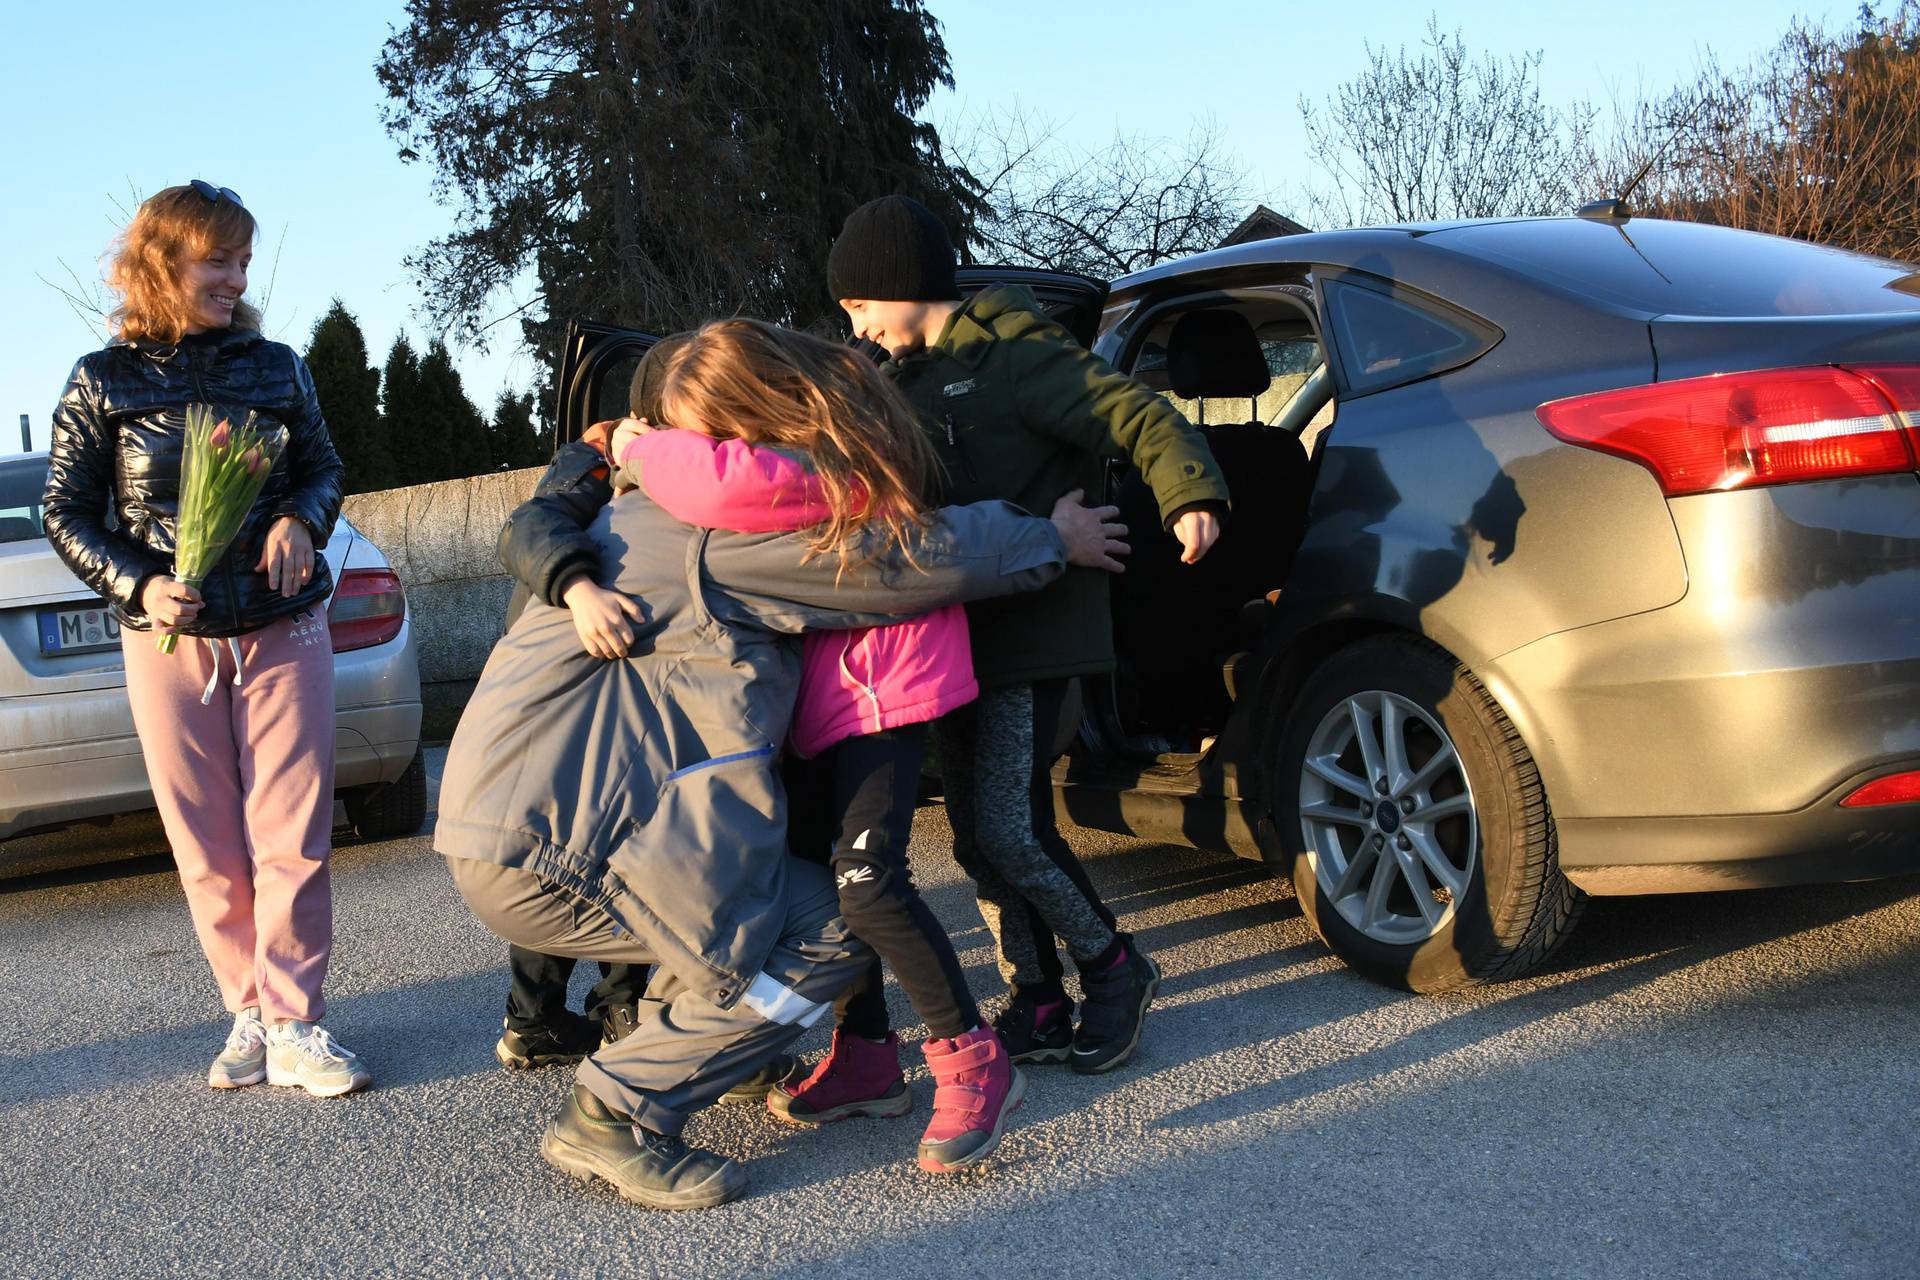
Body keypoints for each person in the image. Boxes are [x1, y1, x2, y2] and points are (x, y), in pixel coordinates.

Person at [440, 319, 1123, 1208]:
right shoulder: (716, 535)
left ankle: (683, 1054)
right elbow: (899, 559)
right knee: (831, 931)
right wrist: (1050, 537)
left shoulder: (631, 508)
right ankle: (619, 1107)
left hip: (511, 829)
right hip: (565, 848)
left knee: (754, 886)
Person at [827, 194, 1231, 1076]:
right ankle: (1038, 998)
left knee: (1011, 831)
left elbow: (1134, 414)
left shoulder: (1014, 353)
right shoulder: (901, 386)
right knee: (976, 838)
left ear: (899, 286)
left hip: (1035, 636)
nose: (855, 327)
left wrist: (1188, 492)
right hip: (957, 644)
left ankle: (1116, 968)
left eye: (860, 307)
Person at [41, 182, 367, 1096]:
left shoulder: (276, 366)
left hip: (281, 623)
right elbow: (64, 512)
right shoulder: (101, 379)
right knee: (206, 841)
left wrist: (301, 518)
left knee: (292, 832)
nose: (235, 277)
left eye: (243, 261)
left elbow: (324, 468)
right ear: (162, 261)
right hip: (167, 641)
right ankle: (249, 1014)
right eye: (217, 259)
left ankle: (300, 1022)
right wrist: (138, 581)